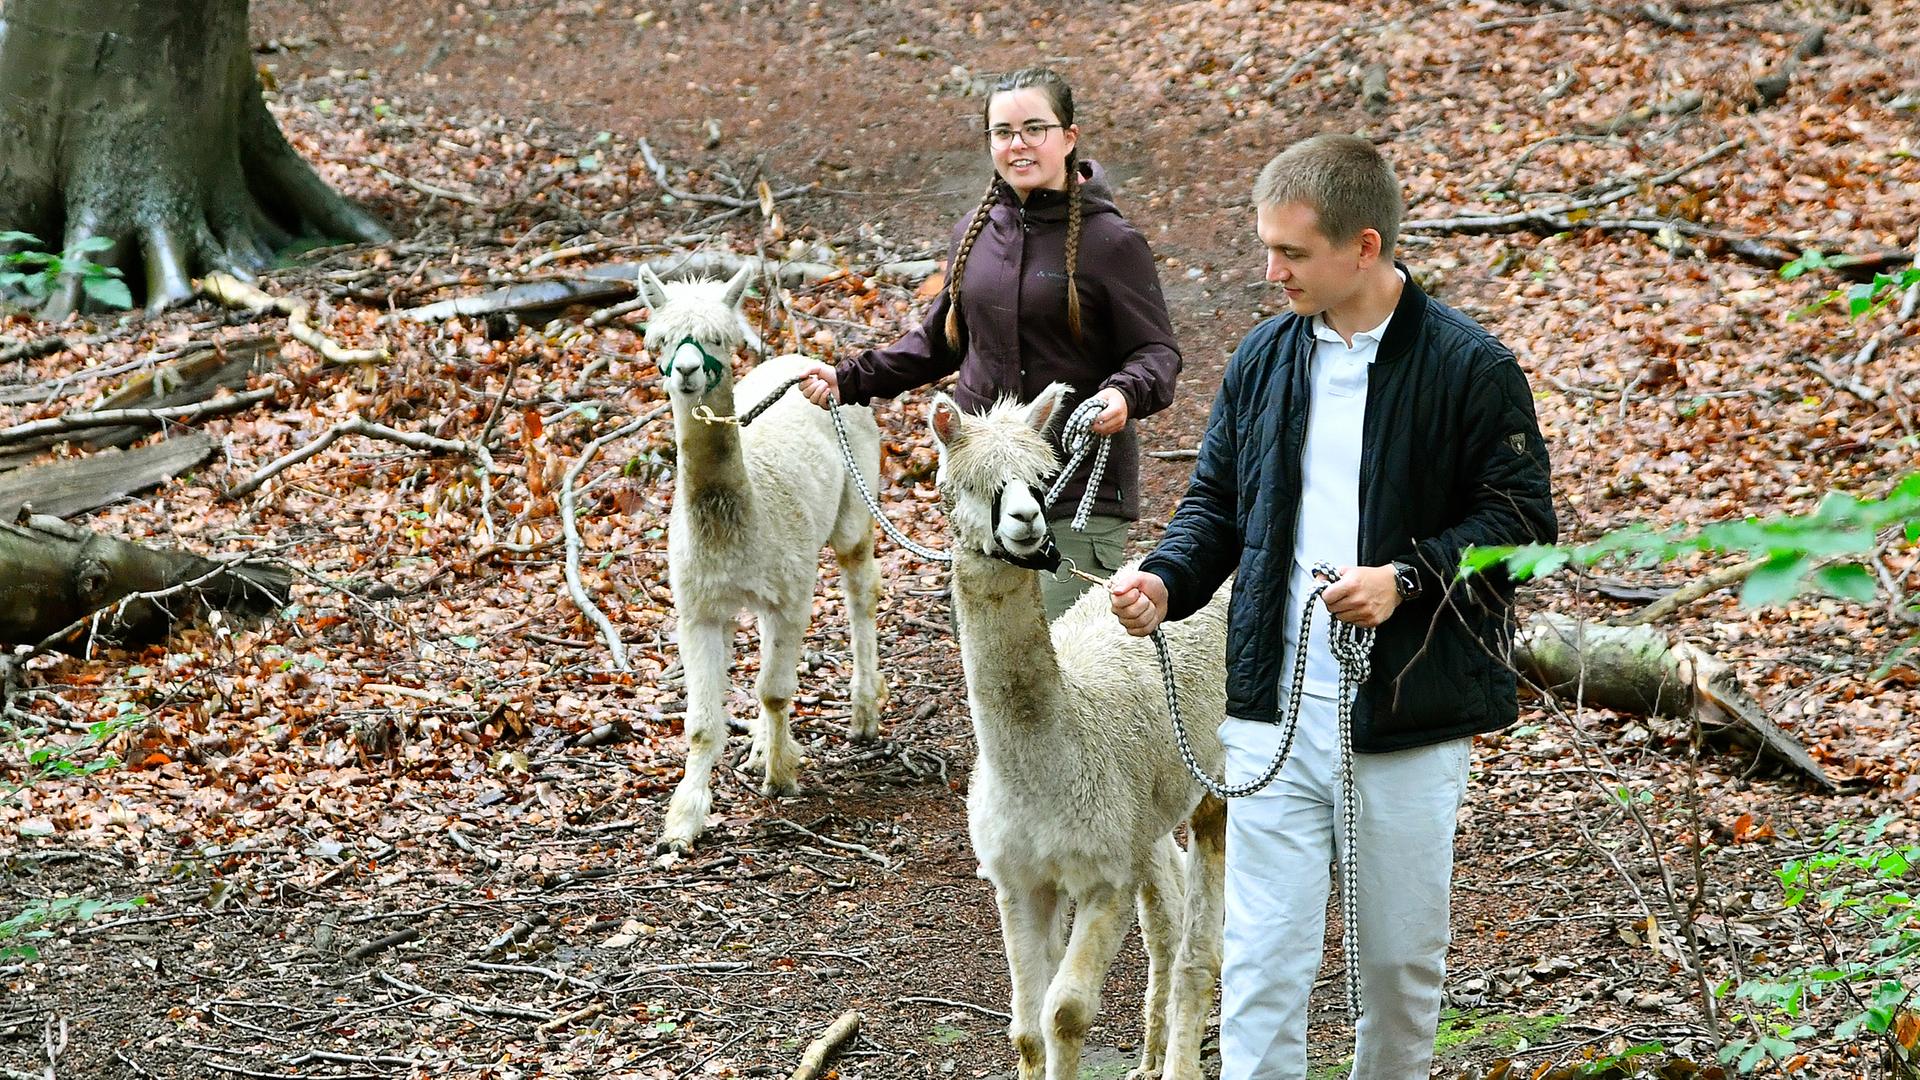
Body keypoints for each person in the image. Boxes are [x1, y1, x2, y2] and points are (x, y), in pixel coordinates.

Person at [1107, 134, 1557, 1079]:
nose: (1271, 272)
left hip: (1408, 714)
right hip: (1273, 712)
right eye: (1266, 248)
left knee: (1396, 967)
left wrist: (1407, 579)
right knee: (1263, 961)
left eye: (1293, 253)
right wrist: (1165, 579)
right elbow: (1219, 504)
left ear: (1364, 245)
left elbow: (1519, 522)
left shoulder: (1470, 367)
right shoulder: (1266, 357)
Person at [797, 66, 1182, 619]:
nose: (1017, 144)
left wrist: (1122, 395)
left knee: (1066, 669)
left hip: (1076, 495)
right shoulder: (974, 233)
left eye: (1034, 128)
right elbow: (939, 343)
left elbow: (1157, 353)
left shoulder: (1112, 243)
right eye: (1003, 132)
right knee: (997, 671)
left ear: (1068, 137)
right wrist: (849, 378)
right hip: (985, 495)